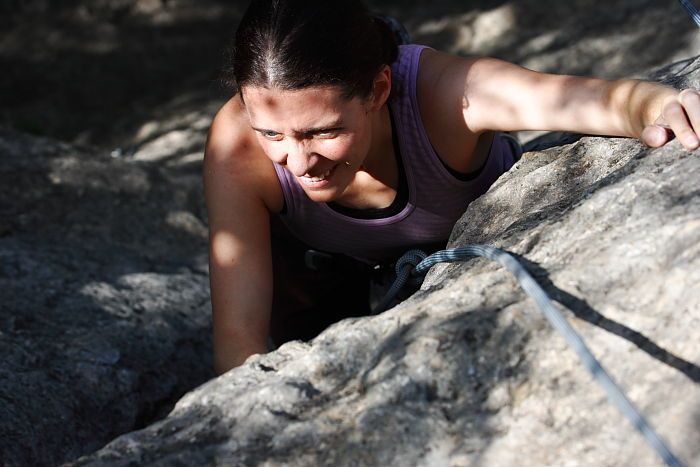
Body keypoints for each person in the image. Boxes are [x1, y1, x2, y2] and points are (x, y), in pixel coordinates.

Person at [204, 0, 700, 374]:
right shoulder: (238, 145)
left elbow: (579, 98)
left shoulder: (443, 95)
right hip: (326, 278)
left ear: (378, 90)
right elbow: (239, 332)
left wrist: (654, 105)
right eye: (272, 133)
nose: (298, 161)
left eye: (323, 131)